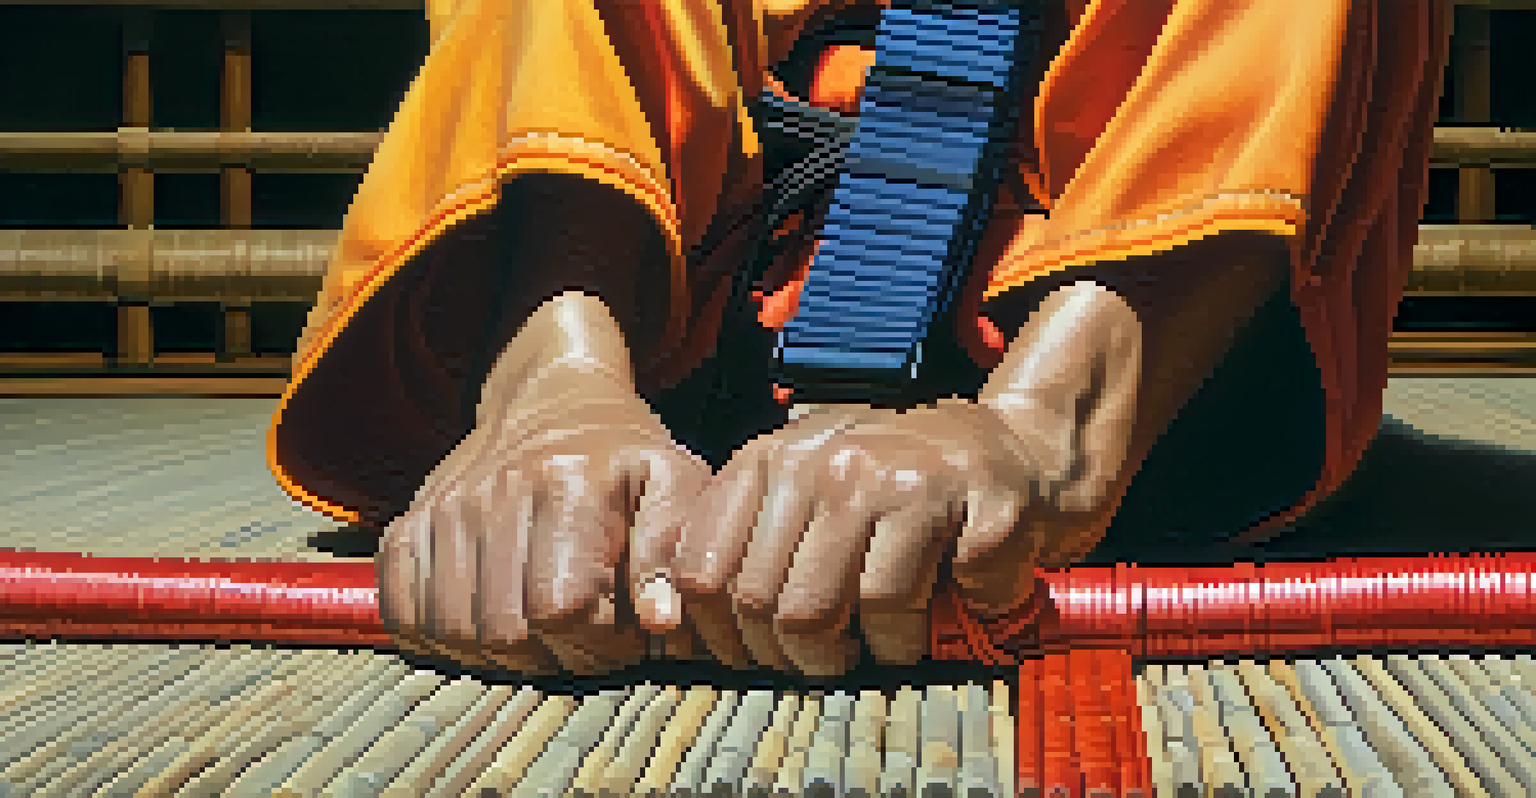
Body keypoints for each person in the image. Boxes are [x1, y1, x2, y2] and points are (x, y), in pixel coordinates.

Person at [267, 0, 1451, 676]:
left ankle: (1055, 427)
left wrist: (1032, 431)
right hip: (682, 348)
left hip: (1159, 389)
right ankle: (546, 392)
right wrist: (557, 385)